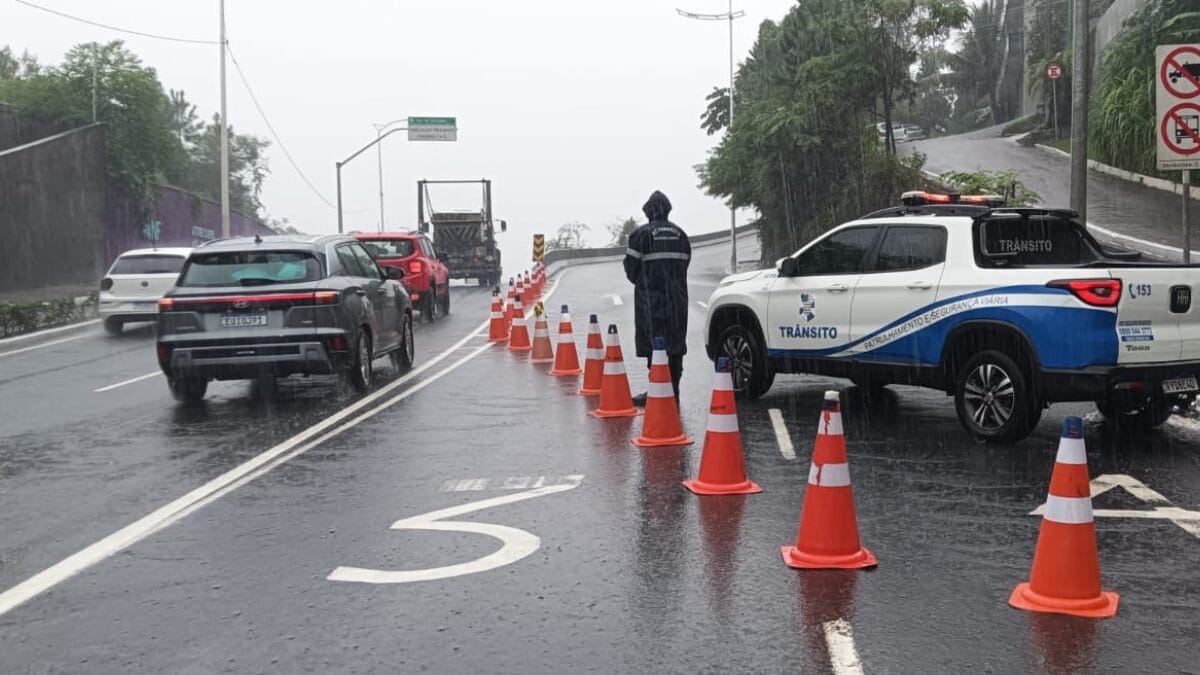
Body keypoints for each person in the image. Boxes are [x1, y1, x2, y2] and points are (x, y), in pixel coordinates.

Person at [624, 190, 691, 405]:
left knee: (654, 343)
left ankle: (658, 389)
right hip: (677, 300)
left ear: (648, 211)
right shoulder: (680, 235)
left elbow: (631, 270)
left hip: (650, 301)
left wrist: (648, 282)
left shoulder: (641, 235)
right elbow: (685, 265)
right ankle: (674, 389)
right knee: (675, 343)